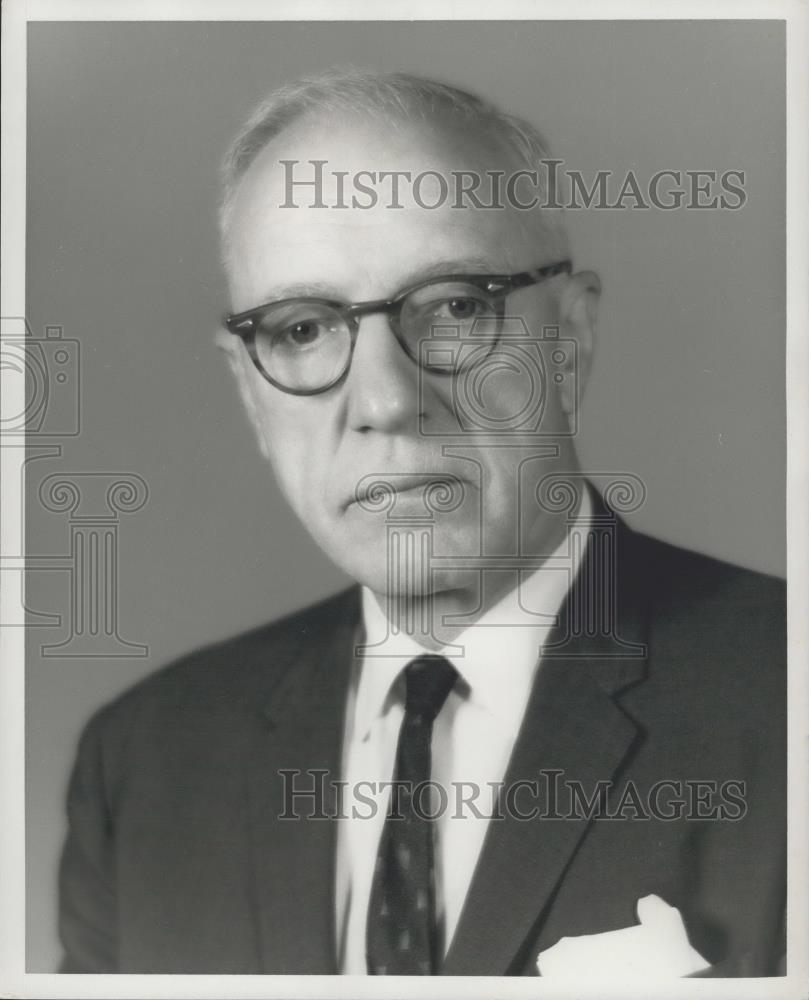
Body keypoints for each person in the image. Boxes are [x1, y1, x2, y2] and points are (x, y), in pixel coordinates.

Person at [58, 70, 786, 977]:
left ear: (571, 338)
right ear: (249, 392)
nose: (385, 401)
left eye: (452, 307)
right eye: (301, 330)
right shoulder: (145, 767)